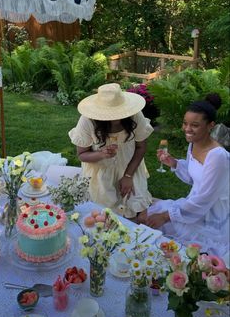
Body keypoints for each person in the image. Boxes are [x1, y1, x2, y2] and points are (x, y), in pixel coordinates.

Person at [138, 93, 230, 256]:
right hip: (193, 204)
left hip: (211, 213)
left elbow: (204, 199)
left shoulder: (218, 156)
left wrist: (167, 216)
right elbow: (191, 176)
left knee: (178, 242)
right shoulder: (193, 144)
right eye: (185, 123)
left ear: (210, 126)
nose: (187, 129)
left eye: (194, 125)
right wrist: (173, 163)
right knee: (150, 218)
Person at [68, 83, 154, 219]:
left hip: (130, 167)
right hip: (100, 172)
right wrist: (101, 154)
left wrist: (128, 176)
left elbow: (141, 147)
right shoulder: (87, 121)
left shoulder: (135, 115)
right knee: (104, 216)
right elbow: (82, 155)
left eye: (118, 112)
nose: (114, 117)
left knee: (138, 213)